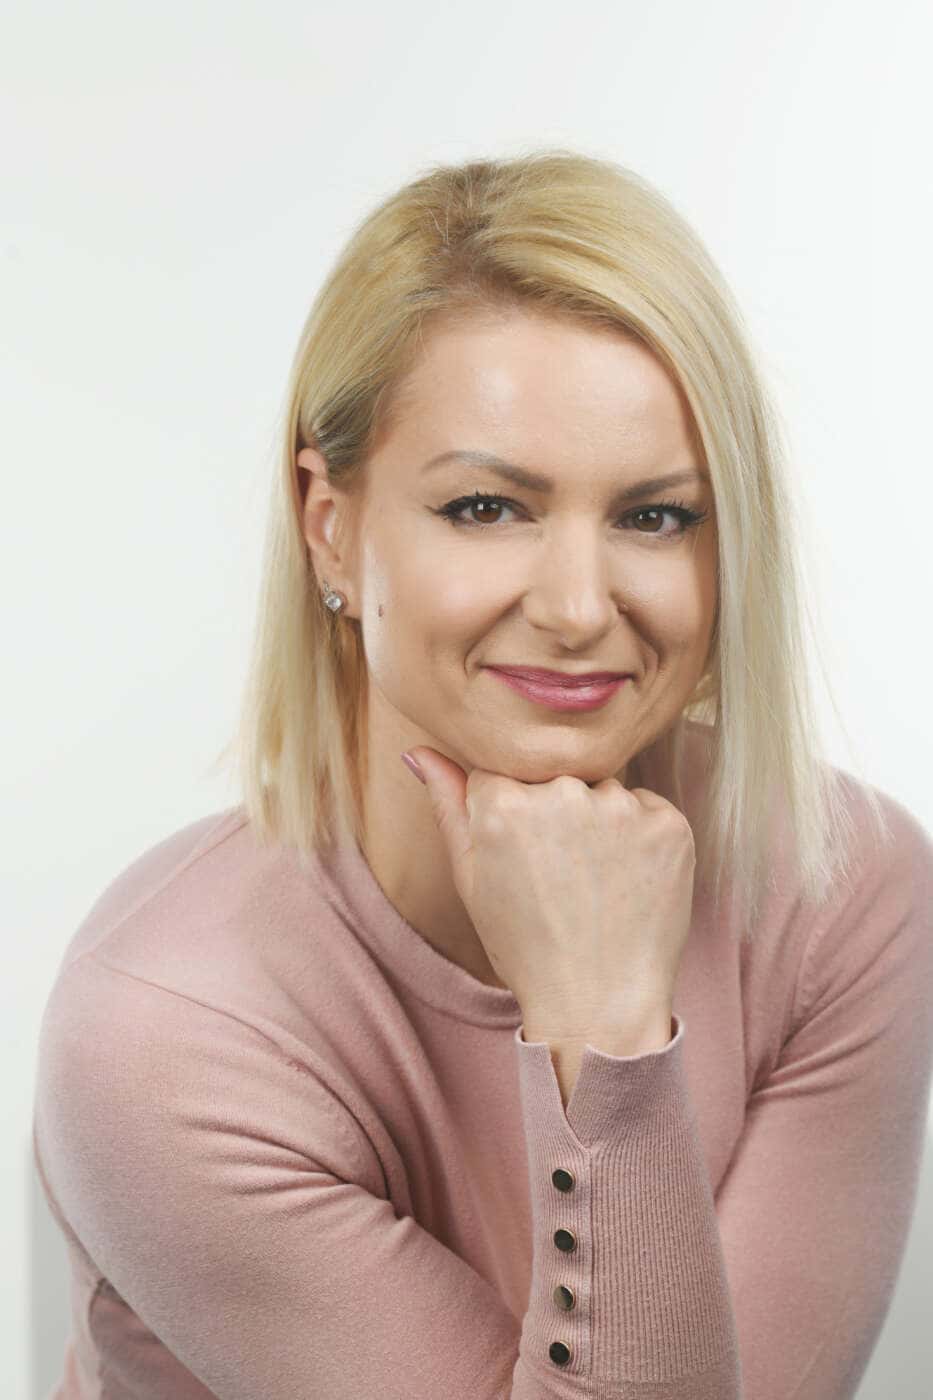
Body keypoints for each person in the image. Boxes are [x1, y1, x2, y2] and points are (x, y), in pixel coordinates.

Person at [33, 149, 933, 1400]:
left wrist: (603, 1017)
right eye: (486, 508)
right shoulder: (167, 1028)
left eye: (657, 516)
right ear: (330, 524)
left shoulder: (844, 890)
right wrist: (604, 1032)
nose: (577, 607)